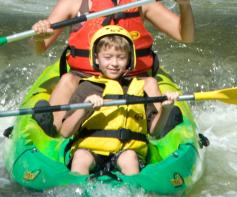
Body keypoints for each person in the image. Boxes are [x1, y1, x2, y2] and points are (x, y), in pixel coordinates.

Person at [32, 0, 194, 136]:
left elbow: (184, 36)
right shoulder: (73, 1)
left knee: (152, 82)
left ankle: (161, 128)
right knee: (66, 80)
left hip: (132, 78)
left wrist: (185, 6)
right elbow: (41, 47)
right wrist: (38, 36)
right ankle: (51, 130)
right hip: (86, 79)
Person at [56, 25, 178, 175]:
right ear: (96, 59)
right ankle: (76, 191)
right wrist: (83, 109)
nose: (114, 63)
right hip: (91, 151)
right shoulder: (86, 88)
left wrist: (165, 109)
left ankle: (134, 193)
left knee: (129, 157)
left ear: (129, 60)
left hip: (127, 152)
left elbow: (154, 132)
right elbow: (65, 132)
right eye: (107, 57)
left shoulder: (138, 88)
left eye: (121, 57)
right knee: (81, 156)